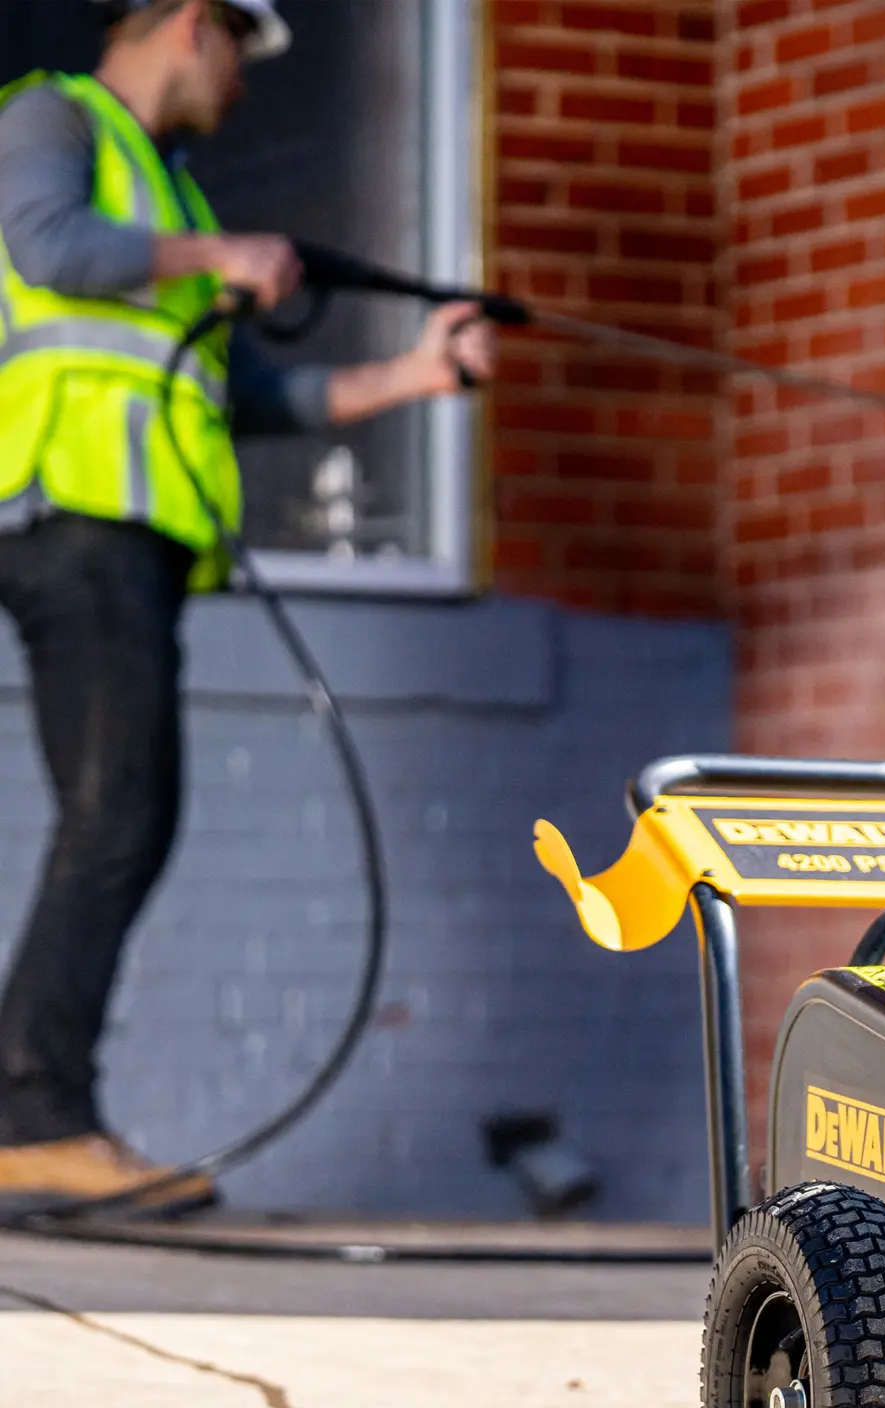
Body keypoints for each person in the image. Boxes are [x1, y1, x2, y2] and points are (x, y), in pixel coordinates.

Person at [0, 0, 495, 1210]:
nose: (246, 84)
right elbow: (44, 244)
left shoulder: (174, 197)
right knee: (120, 813)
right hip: (70, 512)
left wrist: (420, 374)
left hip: (135, 540)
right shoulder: (54, 122)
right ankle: (29, 1118)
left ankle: (34, 1111)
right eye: (240, 50)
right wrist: (220, 260)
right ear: (189, 24)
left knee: (122, 816)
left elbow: (251, 395)